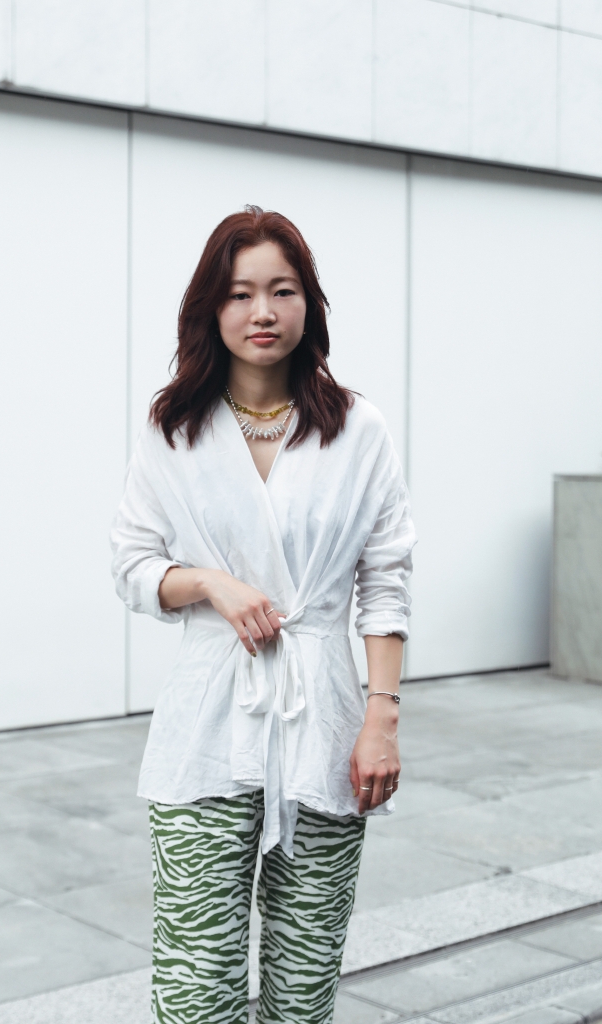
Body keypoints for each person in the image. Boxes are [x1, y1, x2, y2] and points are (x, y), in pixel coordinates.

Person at [110, 206, 415, 1024]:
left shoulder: (357, 430)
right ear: (211, 308)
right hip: (205, 729)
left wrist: (380, 719)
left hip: (327, 727)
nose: (263, 312)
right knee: (193, 981)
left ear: (308, 304)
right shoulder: (172, 428)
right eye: (240, 293)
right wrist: (210, 583)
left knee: (304, 980)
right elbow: (131, 566)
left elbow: (385, 577)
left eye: (282, 291)